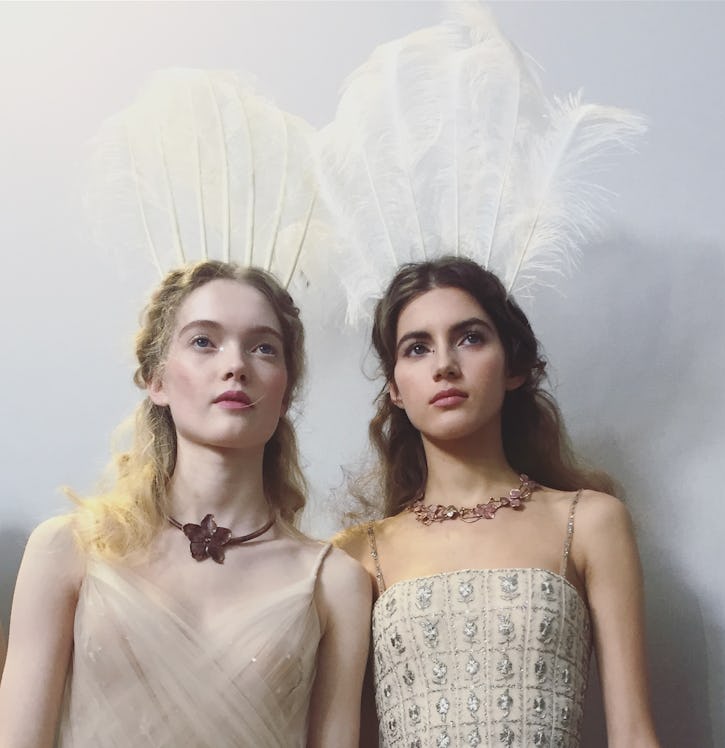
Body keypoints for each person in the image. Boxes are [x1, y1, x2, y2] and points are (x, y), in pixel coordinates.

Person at [0, 260, 371, 748]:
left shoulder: (336, 581)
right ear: (157, 380)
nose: (235, 365)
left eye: (263, 348)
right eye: (203, 341)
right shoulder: (67, 550)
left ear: (285, 392)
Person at [336, 256, 660, 747]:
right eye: (418, 348)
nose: (444, 365)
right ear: (395, 389)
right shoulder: (359, 554)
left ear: (512, 366)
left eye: (469, 338)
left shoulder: (590, 521)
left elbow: (634, 735)